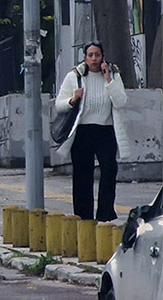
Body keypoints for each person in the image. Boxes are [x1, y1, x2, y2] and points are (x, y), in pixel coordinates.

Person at [54, 42, 128, 221]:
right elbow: (59, 104)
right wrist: (73, 99)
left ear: (103, 56)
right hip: (82, 131)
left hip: (105, 130)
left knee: (109, 170)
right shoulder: (75, 76)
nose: (94, 59)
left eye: (97, 55)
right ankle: (83, 215)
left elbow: (121, 102)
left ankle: (105, 213)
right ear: (85, 57)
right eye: (90, 55)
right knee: (82, 174)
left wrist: (109, 79)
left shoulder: (113, 74)